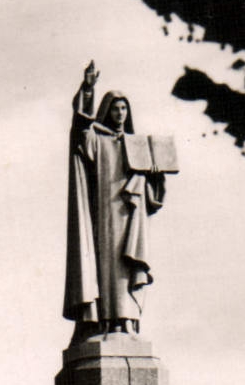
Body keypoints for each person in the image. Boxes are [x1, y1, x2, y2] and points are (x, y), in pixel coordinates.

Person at [63, 60, 169, 343]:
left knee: (128, 265)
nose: (120, 113)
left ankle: (128, 321)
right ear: (107, 110)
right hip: (105, 213)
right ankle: (108, 321)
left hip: (131, 216)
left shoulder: (136, 145)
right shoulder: (99, 139)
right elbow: (80, 133)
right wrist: (88, 90)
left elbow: (152, 196)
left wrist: (156, 178)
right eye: (115, 108)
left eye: (124, 108)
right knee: (107, 266)